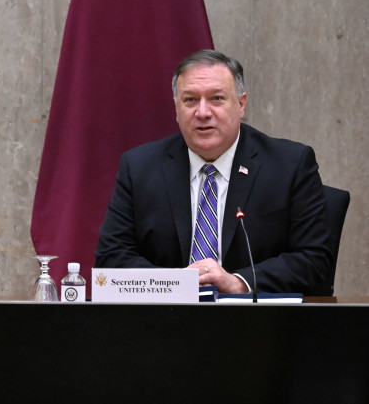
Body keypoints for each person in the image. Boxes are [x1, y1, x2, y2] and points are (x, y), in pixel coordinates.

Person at [94, 50, 332, 295]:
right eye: (190, 100)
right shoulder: (140, 167)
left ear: (241, 104)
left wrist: (238, 282)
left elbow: (314, 262)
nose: (203, 112)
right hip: (165, 322)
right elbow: (111, 259)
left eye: (217, 98)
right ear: (176, 109)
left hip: (259, 325)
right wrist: (178, 284)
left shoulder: (289, 165)